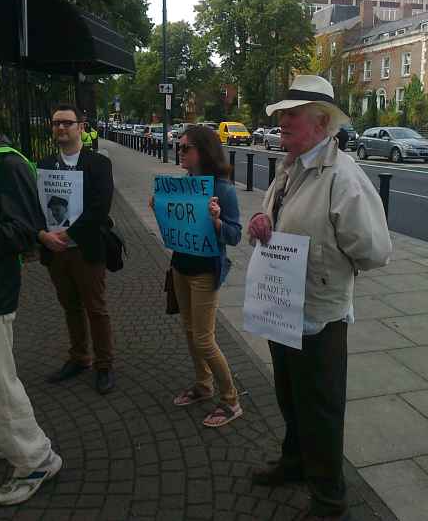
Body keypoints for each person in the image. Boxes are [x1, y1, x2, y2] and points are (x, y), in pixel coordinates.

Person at [248, 75, 392, 521]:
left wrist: (329, 267)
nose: (282, 121)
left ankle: (330, 502)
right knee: (290, 397)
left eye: (292, 114)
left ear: (322, 122)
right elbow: (275, 214)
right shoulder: (289, 165)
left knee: (321, 410)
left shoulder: (343, 176)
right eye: (283, 113)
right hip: (281, 306)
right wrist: (261, 220)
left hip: (318, 315)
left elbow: (374, 250)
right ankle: (295, 464)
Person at [151, 126, 243, 427]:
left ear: (202, 151)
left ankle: (230, 399)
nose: (179, 152)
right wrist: (160, 209)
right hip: (181, 266)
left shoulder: (223, 189)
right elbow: (176, 228)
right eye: (179, 148)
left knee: (204, 340)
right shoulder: (185, 185)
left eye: (184, 148)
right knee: (190, 333)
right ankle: (204, 386)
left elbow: (235, 235)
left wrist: (217, 222)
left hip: (205, 271)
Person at [0, 133, 62, 506]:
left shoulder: (7, 164)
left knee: (0, 383)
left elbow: (23, 231)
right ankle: (6, 440)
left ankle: (36, 459)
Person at [38, 104, 115, 395]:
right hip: (55, 251)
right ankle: (79, 357)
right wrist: (44, 235)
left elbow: (100, 208)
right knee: (70, 306)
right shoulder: (45, 164)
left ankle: (104, 364)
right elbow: (37, 206)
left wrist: (68, 233)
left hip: (85, 249)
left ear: (80, 127)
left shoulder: (98, 163)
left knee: (96, 308)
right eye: (56, 123)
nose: (61, 128)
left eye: (67, 123)